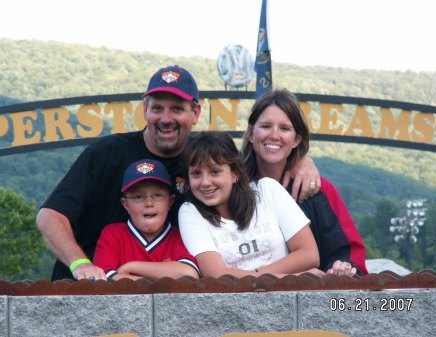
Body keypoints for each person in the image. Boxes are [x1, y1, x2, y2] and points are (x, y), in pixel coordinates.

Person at [36, 65, 320, 281]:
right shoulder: (107, 153)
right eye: (157, 108)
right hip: (90, 288)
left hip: (168, 292)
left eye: (177, 109)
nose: (166, 118)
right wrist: (80, 264)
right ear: (145, 110)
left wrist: (299, 158)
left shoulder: (202, 161)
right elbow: (50, 216)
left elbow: (244, 174)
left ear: (195, 113)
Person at [241, 89, 368, 276]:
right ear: (251, 134)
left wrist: (341, 269)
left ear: (296, 139)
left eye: (284, 129)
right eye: (266, 126)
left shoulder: (317, 190)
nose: (274, 135)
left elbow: (349, 255)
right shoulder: (231, 188)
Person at [178, 131, 320, 278]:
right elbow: (217, 275)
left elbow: (309, 255)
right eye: (196, 174)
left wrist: (255, 276)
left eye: (214, 172)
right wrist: (289, 278)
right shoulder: (190, 212)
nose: (205, 183)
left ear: (235, 174)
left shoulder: (268, 191)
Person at [93, 159, 200, 280]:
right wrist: (162, 279)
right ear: (126, 204)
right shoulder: (113, 234)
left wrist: (130, 267)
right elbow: (101, 278)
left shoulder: (180, 235)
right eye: (138, 196)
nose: (149, 203)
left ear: (170, 201)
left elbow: (188, 274)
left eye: (158, 195)